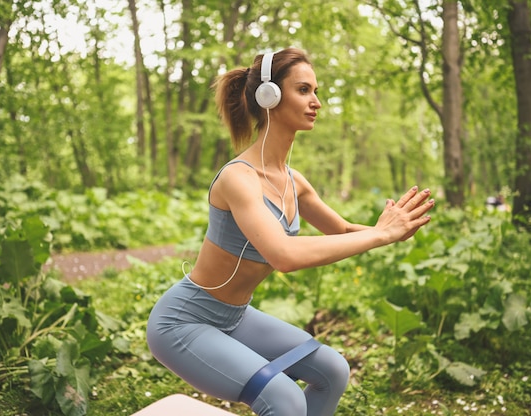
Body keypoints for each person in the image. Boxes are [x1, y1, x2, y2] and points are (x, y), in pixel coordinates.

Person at [146, 47, 435, 416]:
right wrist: (380, 235)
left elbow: (342, 229)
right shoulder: (239, 178)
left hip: (235, 317)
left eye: (316, 91)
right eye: (304, 90)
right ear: (270, 96)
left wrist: (391, 228)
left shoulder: (293, 181)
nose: (316, 102)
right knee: (284, 398)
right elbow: (283, 256)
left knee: (333, 370)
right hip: (184, 322)